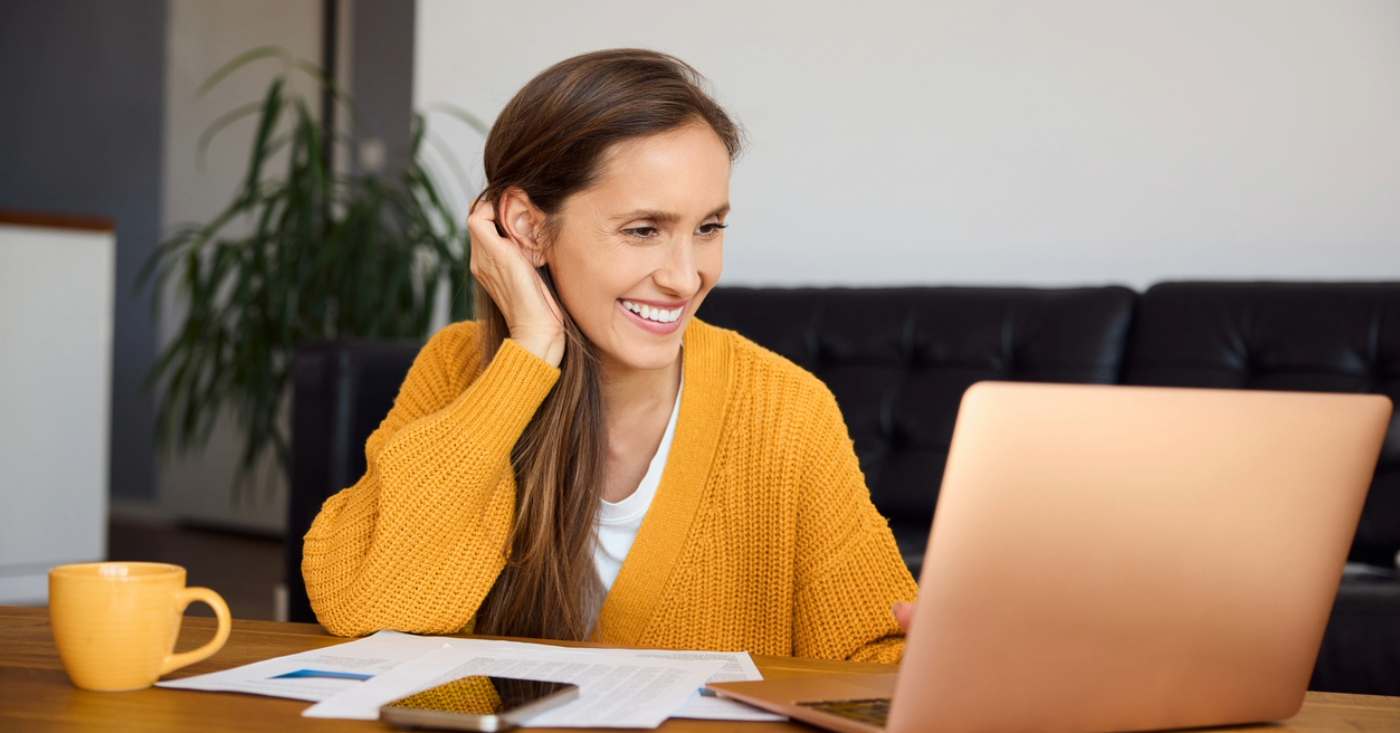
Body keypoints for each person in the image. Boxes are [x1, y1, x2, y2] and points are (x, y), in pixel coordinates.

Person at [302, 48, 918, 663]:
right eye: (643, 230)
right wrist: (530, 355)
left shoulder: (787, 409)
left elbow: (873, 653)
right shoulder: (461, 369)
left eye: (708, 228)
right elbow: (370, 609)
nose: (685, 278)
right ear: (527, 228)